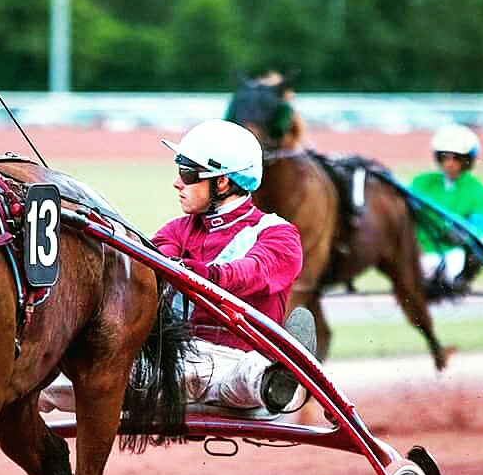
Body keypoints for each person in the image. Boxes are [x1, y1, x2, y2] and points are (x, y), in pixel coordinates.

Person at [40, 119, 315, 415]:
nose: (177, 183)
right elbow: (150, 265)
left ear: (222, 182)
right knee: (48, 384)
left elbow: (251, 272)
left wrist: (194, 272)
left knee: (250, 373)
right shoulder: (176, 230)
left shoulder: (277, 233)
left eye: (187, 173)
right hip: (168, 366)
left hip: (235, 362)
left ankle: (281, 378)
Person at [410, 124, 483, 299]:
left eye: (456, 158)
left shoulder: (478, 191)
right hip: (421, 251)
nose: (450, 163)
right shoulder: (422, 183)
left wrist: (464, 235)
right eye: (445, 157)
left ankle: (459, 284)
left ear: (467, 160)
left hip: (455, 254)